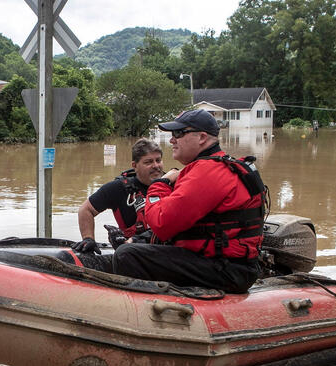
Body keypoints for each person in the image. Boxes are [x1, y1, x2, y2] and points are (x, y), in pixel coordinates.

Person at [98, 109, 266, 293]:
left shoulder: (207, 172)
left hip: (228, 270)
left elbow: (160, 222)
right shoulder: (215, 167)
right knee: (136, 246)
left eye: (178, 134)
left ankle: (147, 314)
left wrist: (160, 183)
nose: (172, 140)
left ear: (202, 137)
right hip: (228, 264)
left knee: (126, 256)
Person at [71, 138, 164, 254]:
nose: (156, 166)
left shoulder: (174, 184)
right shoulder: (118, 188)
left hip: (168, 252)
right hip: (134, 254)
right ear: (134, 166)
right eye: (148, 162)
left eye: (158, 160)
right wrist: (88, 238)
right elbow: (86, 209)